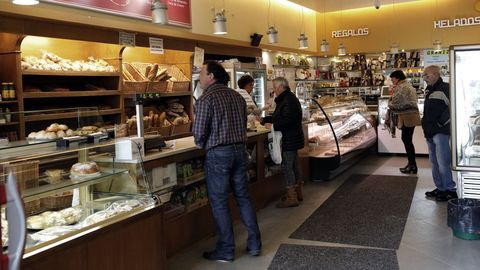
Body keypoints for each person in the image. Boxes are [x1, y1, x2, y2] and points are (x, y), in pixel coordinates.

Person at [192, 61, 262, 262]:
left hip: (218, 155)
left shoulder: (206, 99)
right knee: (243, 197)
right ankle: (255, 244)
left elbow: (198, 135)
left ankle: (226, 249)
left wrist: (201, 141)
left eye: (202, 74)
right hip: (240, 151)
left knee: (220, 202)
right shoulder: (237, 96)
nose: (200, 77)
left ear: (211, 76)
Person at [261, 77, 305, 208]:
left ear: (281, 87)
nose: (273, 90)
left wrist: (272, 126)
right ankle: (298, 193)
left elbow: (286, 121)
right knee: (294, 165)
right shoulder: (287, 98)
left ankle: (292, 197)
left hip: (289, 138)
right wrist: (264, 120)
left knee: (287, 167)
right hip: (293, 137)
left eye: (274, 87)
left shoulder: (287, 100)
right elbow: (279, 117)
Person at [422, 65, 457, 202]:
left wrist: (440, 123)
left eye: (427, 75)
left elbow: (452, 108)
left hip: (440, 132)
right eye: (424, 76)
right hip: (430, 132)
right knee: (434, 162)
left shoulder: (445, 88)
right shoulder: (429, 90)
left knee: (443, 162)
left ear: (436, 75)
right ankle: (440, 188)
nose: (425, 78)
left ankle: (450, 189)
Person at [389, 70, 421, 174]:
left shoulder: (400, 87)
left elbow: (395, 102)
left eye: (392, 78)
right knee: (407, 140)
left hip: (407, 116)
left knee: (407, 140)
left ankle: (412, 165)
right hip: (411, 115)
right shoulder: (407, 85)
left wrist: (389, 102)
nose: (392, 81)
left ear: (397, 78)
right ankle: (411, 164)